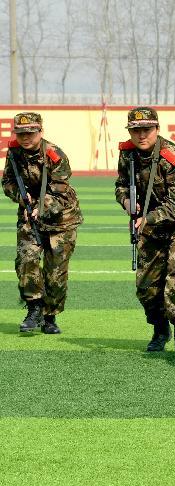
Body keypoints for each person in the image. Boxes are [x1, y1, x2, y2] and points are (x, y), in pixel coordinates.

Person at [115, 107, 175, 355]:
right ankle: (159, 329)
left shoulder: (174, 157)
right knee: (147, 283)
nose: (141, 135)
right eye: (136, 130)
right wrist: (126, 201)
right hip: (147, 219)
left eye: (147, 129)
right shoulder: (127, 155)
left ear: (157, 129)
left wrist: (147, 218)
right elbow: (121, 185)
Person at [2, 112, 82, 334]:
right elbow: (8, 181)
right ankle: (34, 308)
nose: (25, 137)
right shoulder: (14, 153)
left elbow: (61, 189)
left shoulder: (55, 155)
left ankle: (50, 316)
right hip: (29, 214)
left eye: (30, 133)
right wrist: (21, 197)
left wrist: (41, 207)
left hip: (61, 217)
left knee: (55, 271)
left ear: (40, 132)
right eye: (20, 133)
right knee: (26, 259)